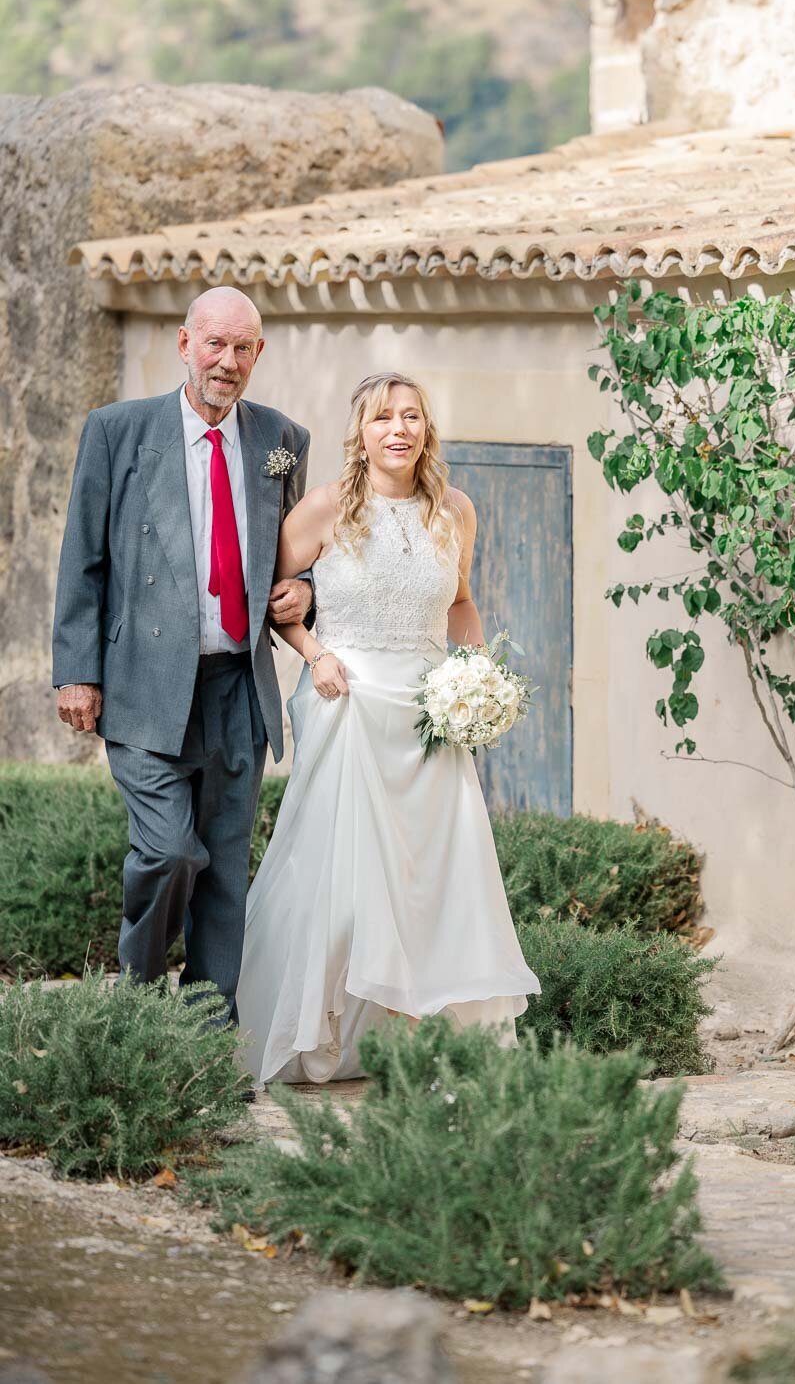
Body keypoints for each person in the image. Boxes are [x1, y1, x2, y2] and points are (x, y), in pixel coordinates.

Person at [236, 371, 540, 1083]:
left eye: (411, 417)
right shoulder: (325, 509)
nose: (399, 430)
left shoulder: (455, 512)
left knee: (431, 874)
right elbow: (272, 602)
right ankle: (323, 1027)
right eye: (383, 419)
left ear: (426, 431)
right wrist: (317, 655)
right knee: (341, 875)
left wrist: (476, 676)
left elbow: (461, 603)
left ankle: (423, 1035)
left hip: (431, 714)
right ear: (361, 433)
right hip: (350, 705)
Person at [52, 287, 312, 1029]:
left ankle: (204, 1036)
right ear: (183, 343)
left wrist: (305, 590)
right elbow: (84, 560)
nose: (226, 363)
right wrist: (76, 670)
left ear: (257, 355)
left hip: (237, 687)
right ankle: (135, 1012)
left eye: (242, 349)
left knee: (225, 870)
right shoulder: (117, 432)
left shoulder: (281, 440)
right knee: (169, 853)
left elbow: (302, 557)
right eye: (214, 345)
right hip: (143, 685)